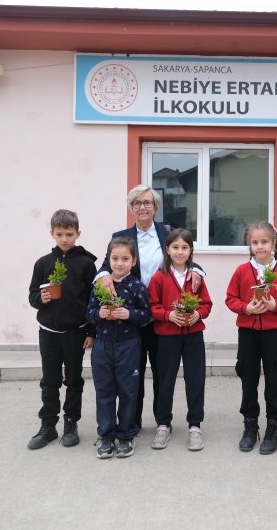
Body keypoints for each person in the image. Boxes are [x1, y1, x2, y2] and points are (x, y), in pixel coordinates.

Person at [95, 184, 204, 432]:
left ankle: (161, 421)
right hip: (133, 314)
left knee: (161, 371)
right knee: (133, 372)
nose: (142, 207)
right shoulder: (120, 236)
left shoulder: (167, 232)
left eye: (147, 203)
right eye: (137, 203)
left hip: (163, 314)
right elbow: (106, 265)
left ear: (155, 207)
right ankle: (133, 422)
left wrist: (198, 270)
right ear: (131, 208)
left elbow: (185, 256)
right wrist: (102, 277)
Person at [225, 221, 277, 455]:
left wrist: (276, 306)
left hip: (273, 333)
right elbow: (230, 299)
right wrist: (246, 308)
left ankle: (273, 426)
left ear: (273, 244)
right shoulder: (241, 271)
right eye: (255, 242)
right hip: (247, 333)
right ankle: (250, 425)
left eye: (264, 242)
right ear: (250, 245)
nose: (260, 246)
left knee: (276, 378)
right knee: (248, 377)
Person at [27, 209, 97, 450]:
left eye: (69, 234)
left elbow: (93, 300)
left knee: (74, 379)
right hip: (48, 332)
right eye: (60, 234)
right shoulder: (43, 263)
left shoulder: (86, 264)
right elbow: (32, 295)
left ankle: (70, 423)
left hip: (76, 332)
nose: (65, 239)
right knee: (50, 380)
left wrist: (91, 332)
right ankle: (48, 425)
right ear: (52, 234)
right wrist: (41, 299)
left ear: (78, 233)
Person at [147, 229, 213, 451]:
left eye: (185, 247)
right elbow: (152, 306)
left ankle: (195, 425)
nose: (180, 252)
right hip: (167, 337)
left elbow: (206, 304)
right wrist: (168, 315)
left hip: (193, 336)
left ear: (190, 250)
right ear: (167, 250)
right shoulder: (159, 277)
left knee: (195, 380)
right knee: (165, 380)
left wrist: (198, 314)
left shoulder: (196, 278)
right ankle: (163, 424)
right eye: (175, 247)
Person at [87, 237, 151, 459]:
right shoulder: (100, 285)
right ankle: (106, 435)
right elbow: (89, 313)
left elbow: (146, 315)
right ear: (109, 260)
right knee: (104, 391)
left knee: (128, 391)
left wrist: (129, 314)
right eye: (115, 258)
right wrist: (99, 313)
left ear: (133, 261)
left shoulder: (137, 287)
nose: (119, 263)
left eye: (125, 259)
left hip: (128, 346)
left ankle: (125, 435)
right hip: (103, 346)